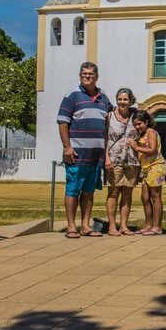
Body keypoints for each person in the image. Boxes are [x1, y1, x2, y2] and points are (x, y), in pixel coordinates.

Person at [57, 62, 112, 239]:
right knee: (73, 190)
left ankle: (86, 225)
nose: (87, 76)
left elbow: (111, 120)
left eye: (90, 74)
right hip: (77, 154)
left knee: (89, 192)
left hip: (96, 157)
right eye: (83, 74)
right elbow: (63, 122)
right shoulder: (72, 95)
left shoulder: (104, 98)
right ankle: (71, 226)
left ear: (97, 76)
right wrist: (67, 147)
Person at [104, 88, 139, 236]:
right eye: (120, 99)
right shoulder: (109, 116)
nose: (122, 102)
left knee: (127, 194)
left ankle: (124, 225)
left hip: (131, 160)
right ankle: (112, 226)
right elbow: (104, 138)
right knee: (113, 192)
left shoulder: (136, 116)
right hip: (114, 160)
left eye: (125, 99)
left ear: (131, 100)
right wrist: (106, 158)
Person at [128, 110, 166, 235]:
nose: (137, 127)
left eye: (139, 124)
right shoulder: (141, 134)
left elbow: (153, 149)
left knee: (155, 197)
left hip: (156, 167)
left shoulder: (151, 132)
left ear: (146, 122)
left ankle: (157, 227)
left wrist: (136, 147)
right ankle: (148, 225)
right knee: (145, 197)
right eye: (135, 125)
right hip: (146, 168)